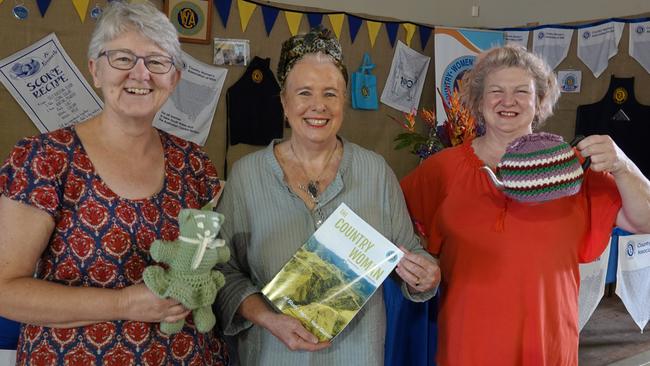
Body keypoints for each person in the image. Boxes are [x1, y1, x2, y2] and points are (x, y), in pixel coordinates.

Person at [0, 2, 229, 364]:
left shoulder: (195, 164)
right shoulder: (45, 159)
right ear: (95, 70)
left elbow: (204, 264)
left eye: (157, 62)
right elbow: (5, 291)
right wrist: (123, 303)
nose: (141, 74)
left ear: (174, 78)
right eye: (123, 58)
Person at [401, 44, 650, 365]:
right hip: (468, 346)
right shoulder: (441, 170)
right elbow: (394, 226)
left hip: (547, 348)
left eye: (522, 91)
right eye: (496, 91)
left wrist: (623, 165)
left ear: (540, 100)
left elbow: (644, 221)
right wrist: (420, 265)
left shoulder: (574, 167)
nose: (508, 101)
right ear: (478, 100)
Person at [213, 26, 440, 365]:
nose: (317, 106)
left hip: (358, 355)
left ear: (344, 101)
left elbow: (410, 254)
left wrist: (426, 274)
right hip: (272, 355)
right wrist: (268, 318)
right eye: (304, 93)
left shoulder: (375, 172)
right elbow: (223, 272)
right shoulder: (248, 176)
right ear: (284, 103)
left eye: (330, 94)